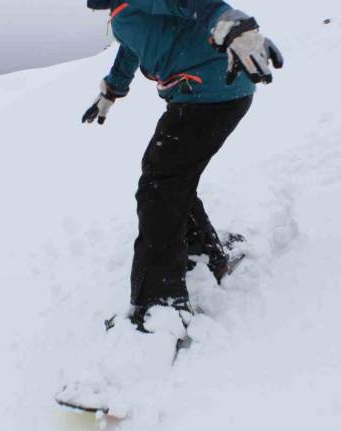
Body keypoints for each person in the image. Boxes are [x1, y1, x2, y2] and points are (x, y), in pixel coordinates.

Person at [82, 0, 283, 330]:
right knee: (170, 178)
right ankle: (202, 256)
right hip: (206, 95)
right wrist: (113, 90)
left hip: (209, 95)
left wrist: (232, 23)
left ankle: (161, 306)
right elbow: (132, 47)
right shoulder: (124, 11)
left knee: (159, 188)